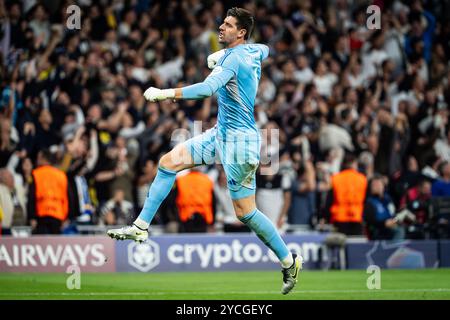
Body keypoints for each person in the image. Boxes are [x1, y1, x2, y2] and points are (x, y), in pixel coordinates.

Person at [107, 7, 302, 295]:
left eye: (228, 24)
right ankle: (140, 225)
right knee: (168, 163)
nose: (221, 27)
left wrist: (165, 93)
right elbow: (266, 49)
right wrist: (220, 55)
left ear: (241, 32)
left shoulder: (234, 59)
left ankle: (288, 261)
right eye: (222, 22)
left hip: (240, 143)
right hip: (221, 134)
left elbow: (206, 90)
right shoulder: (253, 51)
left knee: (246, 213)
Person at [27, 149, 73, 234]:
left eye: (38, 158)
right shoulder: (61, 175)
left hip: (41, 215)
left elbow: (31, 197)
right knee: (55, 245)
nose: (37, 161)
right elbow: (69, 197)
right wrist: (68, 217)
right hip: (58, 215)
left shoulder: (36, 174)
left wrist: (31, 217)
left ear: (43, 159)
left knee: (42, 244)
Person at [326, 153, 368, 235]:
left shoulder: (335, 178)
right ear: (354, 163)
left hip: (339, 218)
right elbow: (366, 200)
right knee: (355, 244)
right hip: (356, 216)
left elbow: (329, 200)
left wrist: (327, 217)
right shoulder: (362, 179)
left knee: (340, 245)